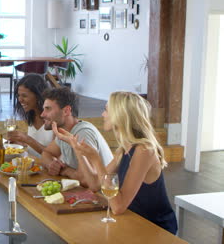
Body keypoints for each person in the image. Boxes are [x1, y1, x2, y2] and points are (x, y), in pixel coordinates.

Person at [58, 91, 177, 234]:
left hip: (155, 229)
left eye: (107, 110)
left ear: (120, 116)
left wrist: (96, 159)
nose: (103, 114)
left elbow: (118, 206)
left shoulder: (144, 151)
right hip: (133, 221)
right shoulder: (123, 150)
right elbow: (95, 184)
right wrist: (77, 148)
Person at [40, 87, 113, 189]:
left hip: (103, 199)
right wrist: (52, 164)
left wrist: (64, 170)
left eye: (48, 109)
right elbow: (46, 154)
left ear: (66, 111)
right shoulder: (64, 132)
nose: (42, 114)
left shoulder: (82, 133)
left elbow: (86, 180)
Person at [7, 74, 54, 157]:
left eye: (24, 96)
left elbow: (53, 155)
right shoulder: (32, 115)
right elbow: (36, 144)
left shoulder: (54, 120)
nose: (20, 100)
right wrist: (21, 142)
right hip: (32, 166)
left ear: (38, 95)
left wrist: (27, 139)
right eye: (18, 95)